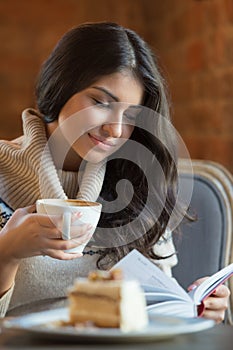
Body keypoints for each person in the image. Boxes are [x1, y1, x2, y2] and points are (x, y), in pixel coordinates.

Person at [0, 22, 229, 322]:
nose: (116, 130)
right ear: (60, 85)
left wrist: (195, 309)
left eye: (131, 115)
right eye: (100, 102)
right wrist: (7, 253)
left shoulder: (138, 181)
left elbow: (156, 310)